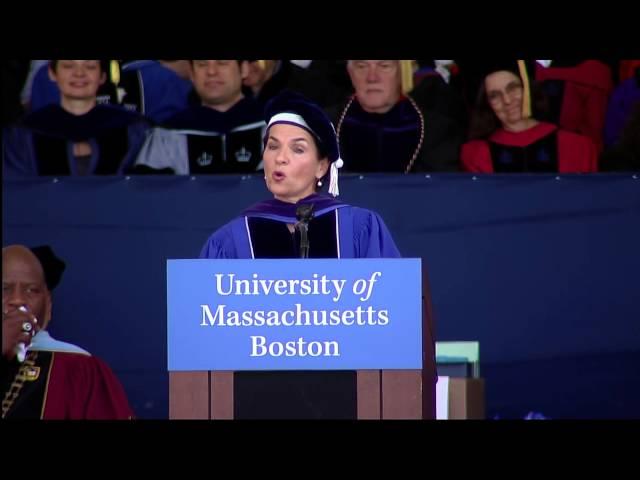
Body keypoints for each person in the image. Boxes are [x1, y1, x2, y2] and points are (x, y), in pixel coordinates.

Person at [199, 90, 402, 418]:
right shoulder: (231, 240)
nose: (280, 158)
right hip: (255, 402)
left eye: (297, 148)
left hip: (350, 399)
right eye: (272, 145)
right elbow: (208, 339)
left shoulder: (360, 227)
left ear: (323, 166)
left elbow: (392, 321)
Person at [1, 244, 134, 419]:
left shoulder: (80, 370)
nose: (17, 300)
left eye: (32, 290)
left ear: (47, 305)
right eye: (4, 289)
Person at [3, 60, 150, 176]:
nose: (79, 73)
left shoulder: (132, 128)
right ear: (52, 73)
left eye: (90, 66)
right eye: (68, 66)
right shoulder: (24, 133)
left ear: (102, 76)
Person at [326, 60, 465, 173]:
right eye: (362, 66)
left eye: (384, 66)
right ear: (350, 73)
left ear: (402, 73)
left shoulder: (437, 130)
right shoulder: (322, 126)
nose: (372, 77)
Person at [461, 60, 598, 173]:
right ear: (487, 104)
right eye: (494, 96)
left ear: (528, 89)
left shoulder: (576, 148)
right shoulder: (476, 155)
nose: (507, 100)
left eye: (513, 88)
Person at [132, 59, 265, 174]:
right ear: (191, 73)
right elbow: (149, 196)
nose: (211, 72)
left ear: (244, 69)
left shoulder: (271, 127)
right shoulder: (168, 134)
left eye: (222, 63)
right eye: (202, 64)